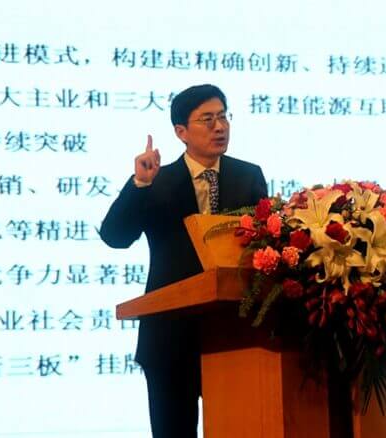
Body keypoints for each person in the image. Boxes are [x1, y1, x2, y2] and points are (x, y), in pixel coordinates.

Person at [99, 84, 268, 438]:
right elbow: (115, 236)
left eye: (223, 117)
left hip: (235, 334)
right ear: (181, 132)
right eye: (207, 119)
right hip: (169, 336)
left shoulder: (249, 176)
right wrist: (139, 184)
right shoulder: (156, 180)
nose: (219, 127)